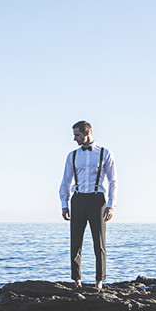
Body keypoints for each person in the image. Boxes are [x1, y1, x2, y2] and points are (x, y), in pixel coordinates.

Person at [59, 120, 118, 291]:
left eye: (77, 135)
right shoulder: (72, 155)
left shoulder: (105, 153)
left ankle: (99, 281)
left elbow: (113, 180)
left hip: (97, 200)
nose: (75, 138)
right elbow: (65, 180)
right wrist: (64, 204)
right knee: (75, 242)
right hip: (77, 200)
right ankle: (76, 280)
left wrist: (111, 205)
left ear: (87, 132)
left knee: (99, 243)